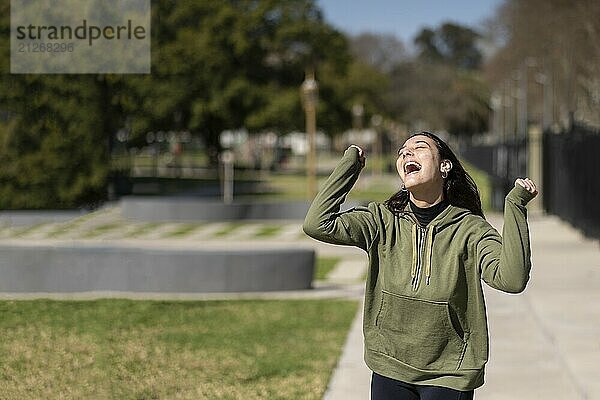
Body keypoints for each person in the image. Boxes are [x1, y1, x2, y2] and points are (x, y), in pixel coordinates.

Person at [303, 131, 538, 400]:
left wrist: (516, 205)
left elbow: (512, 279)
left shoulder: (471, 229)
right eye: (403, 151)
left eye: (419, 147)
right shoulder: (381, 220)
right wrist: (350, 165)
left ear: (444, 166)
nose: (406, 153)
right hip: (389, 366)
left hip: (449, 373)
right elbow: (317, 224)